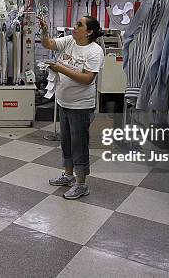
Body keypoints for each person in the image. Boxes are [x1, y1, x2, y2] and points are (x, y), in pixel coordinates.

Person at [39, 15, 104, 199]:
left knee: (79, 145)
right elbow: (48, 44)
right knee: (66, 142)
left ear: (89, 32)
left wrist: (60, 68)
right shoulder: (69, 41)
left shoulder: (94, 51)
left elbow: (87, 79)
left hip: (81, 106)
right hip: (63, 101)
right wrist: (44, 29)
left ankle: (81, 184)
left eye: (79, 25)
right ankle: (68, 176)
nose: (74, 27)